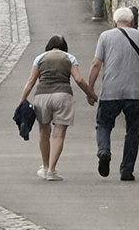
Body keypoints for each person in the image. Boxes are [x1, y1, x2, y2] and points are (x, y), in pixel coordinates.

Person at [82, 6, 139, 182]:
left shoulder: (105, 36)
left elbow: (96, 64)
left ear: (115, 22)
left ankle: (104, 151)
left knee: (104, 124)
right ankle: (126, 171)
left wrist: (90, 90)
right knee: (132, 131)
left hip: (111, 91)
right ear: (132, 22)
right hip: (135, 93)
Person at [18, 33, 92, 180]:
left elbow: (31, 81)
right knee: (59, 134)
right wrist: (90, 94)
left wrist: (22, 100)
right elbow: (79, 79)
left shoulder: (40, 58)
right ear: (64, 47)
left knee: (44, 132)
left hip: (42, 96)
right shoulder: (70, 58)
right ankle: (52, 170)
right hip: (63, 96)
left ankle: (45, 167)